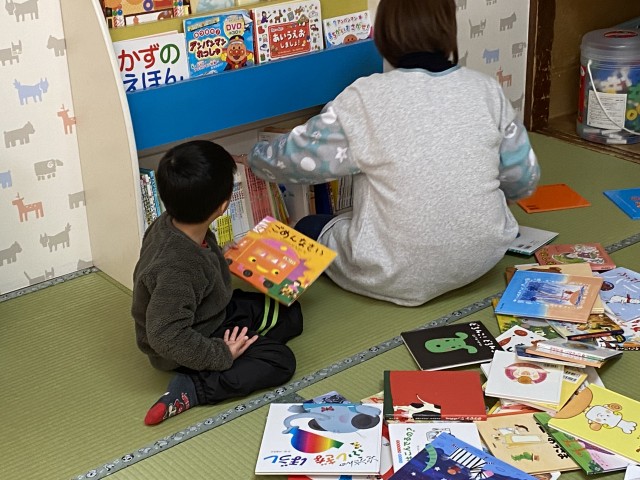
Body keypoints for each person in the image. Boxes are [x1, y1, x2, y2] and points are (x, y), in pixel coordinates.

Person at [235, 0, 540, 307]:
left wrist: (254, 155)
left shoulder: (364, 98)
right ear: (449, 29)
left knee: (308, 226)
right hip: (483, 255)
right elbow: (523, 177)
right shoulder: (486, 89)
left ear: (384, 34)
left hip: (394, 273)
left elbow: (293, 161)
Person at [131, 140, 303, 426]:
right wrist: (221, 354)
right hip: (185, 341)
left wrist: (224, 256)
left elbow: (197, 264)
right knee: (280, 361)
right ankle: (194, 387)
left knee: (290, 313)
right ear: (223, 206)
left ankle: (244, 345)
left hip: (209, 310)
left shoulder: (173, 221)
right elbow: (164, 336)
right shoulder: (177, 266)